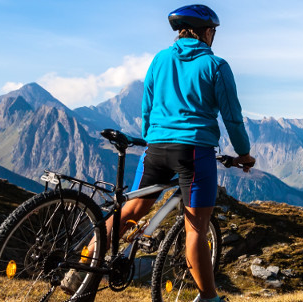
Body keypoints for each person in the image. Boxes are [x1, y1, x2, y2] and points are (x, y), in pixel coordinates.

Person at [64, 4, 255, 302]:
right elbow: (232, 117)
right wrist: (244, 154)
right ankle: (209, 298)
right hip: (193, 152)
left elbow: (147, 108)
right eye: (213, 31)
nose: (214, 36)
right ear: (206, 31)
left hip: (155, 148)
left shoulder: (160, 59)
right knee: (195, 229)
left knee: (130, 210)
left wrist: (153, 137)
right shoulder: (216, 66)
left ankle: (82, 269)